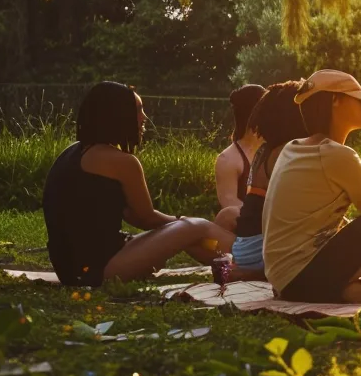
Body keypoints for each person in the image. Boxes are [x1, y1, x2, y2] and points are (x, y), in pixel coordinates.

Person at [43, 82, 235, 287]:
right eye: (137, 110)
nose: (144, 117)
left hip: (71, 268)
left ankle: (233, 265)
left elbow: (132, 215)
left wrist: (179, 228)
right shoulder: (121, 161)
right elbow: (146, 218)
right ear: (117, 115)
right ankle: (249, 254)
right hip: (97, 269)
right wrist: (182, 221)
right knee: (196, 226)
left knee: (187, 233)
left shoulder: (75, 152)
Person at [263, 70, 361, 304]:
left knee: (355, 225)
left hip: (281, 278)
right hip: (302, 275)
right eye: (357, 99)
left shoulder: (291, 148)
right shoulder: (337, 154)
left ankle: (340, 291)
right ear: (335, 100)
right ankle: (341, 287)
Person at [218, 80, 309, 284]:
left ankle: (242, 268)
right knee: (223, 217)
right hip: (260, 246)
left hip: (250, 245)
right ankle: (253, 271)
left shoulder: (265, 150)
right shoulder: (286, 152)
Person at [213, 84, 267, 231]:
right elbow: (229, 204)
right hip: (244, 232)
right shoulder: (228, 159)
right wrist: (268, 217)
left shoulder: (273, 150)